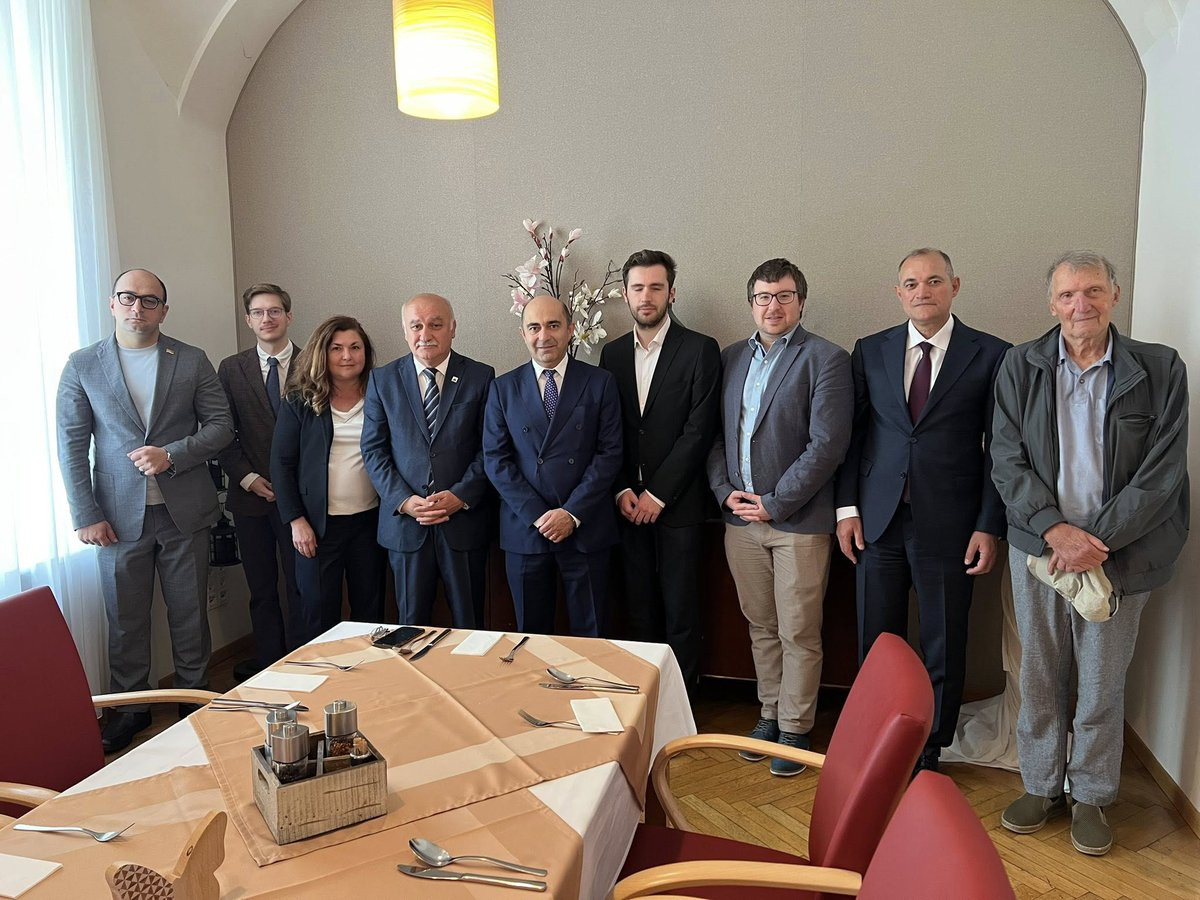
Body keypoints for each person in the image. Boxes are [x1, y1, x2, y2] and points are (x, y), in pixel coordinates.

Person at [992, 251, 1188, 856]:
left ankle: (1093, 796)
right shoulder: (1020, 364)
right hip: (1040, 550)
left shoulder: (1160, 368)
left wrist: (1094, 541)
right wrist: (1056, 530)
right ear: (1051, 303)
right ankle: (1041, 785)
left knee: (1102, 681)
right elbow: (1005, 458)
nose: (1082, 305)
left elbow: (1163, 474)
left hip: (1120, 553)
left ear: (1115, 295)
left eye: (1094, 291)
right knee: (1040, 672)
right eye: (1068, 294)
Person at [834, 248, 1010, 773]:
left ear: (955, 286)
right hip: (877, 520)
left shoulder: (992, 354)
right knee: (877, 641)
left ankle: (930, 750)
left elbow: (1000, 450)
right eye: (911, 283)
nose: (922, 291)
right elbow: (853, 436)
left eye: (934, 281)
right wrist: (846, 509)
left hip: (951, 524)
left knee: (944, 641)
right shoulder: (870, 350)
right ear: (899, 293)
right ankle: (875, 741)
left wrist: (988, 525)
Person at [57, 268, 233, 752]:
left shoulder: (191, 359)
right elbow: (71, 446)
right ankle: (129, 708)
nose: (138, 307)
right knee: (125, 619)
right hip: (115, 519)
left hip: (185, 513)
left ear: (163, 310)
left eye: (150, 300)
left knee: (190, 614)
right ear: (112, 304)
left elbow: (221, 426)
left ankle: (193, 698)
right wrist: (85, 514)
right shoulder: (82, 364)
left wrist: (171, 454)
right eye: (128, 297)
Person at [707, 258, 852, 776]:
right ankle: (768, 714)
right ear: (752, 304)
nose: (773, 305)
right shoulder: (730, 358)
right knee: (761, 626)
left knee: (798, 630)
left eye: (784, 296)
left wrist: (776, 501)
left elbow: (827, 445)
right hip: (740, 522)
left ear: (801, 302)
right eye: (764, 297)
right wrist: (724, 492)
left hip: (798, 522)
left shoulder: (827, 359)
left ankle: (795, 727)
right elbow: (716, 436)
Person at [599, 250, 721, 686]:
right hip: (627, 507)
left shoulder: (700, 349)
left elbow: (699, 431)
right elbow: (608, 431)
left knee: (682, 610)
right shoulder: (612, 354)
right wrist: (621, 490)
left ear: (672, 293)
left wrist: (658, 493)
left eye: (655, 287)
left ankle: (681, 702)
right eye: (637, 288)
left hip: (679, 505)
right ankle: (644, 697)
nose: (646, 296)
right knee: (638, 608)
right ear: (625, 294)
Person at [483, 294, 622, 636]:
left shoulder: (600, 382)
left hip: (585, 526)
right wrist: (539, 515)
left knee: (592, 636)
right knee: (531, 637)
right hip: (526, 530)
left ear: (571, 330)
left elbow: (610, 453)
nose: (543, 335)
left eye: (553, 325)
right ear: (523, 334)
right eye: (534, 327)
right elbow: (496, 459)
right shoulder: (503, 388)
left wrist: (571, 513)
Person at [361, 293, 495, 627]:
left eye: (436, 325)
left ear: (453, 328)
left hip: (463, 523)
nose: (425, 334)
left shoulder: (480, 376)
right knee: (410, 626)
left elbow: (489, 448)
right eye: (416, 326)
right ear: (405, 331)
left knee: (470, 626)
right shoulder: (382, 380)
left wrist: (461, 495)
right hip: (406, 525)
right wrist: (404, 501)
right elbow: (374, 450)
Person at [271, 316, 386, 642]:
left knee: (370, 614)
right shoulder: (300, 400)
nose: (347, 356)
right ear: (322, 353)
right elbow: (281, 464)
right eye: (337, 348)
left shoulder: (380, 394)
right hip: (317, 527)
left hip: (370, 524)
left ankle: (369, 673)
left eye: (355, 347)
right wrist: (296, 521)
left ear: (366, 352)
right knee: (318, 614)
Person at [217, 283, 302, 678]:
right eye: (258, 312)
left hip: (301, 499)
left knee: (301, 586)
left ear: (288, 316)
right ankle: (269, 662)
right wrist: (248, 478)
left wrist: (294, 484)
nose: (267, 318)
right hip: (251, 497)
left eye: (274, 311)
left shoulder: (313, 363)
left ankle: (301, 659)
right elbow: (222, 432)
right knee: (262, 588)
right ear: (248, 320)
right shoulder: (231, 368)